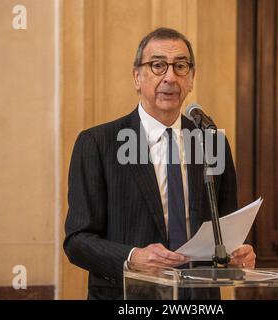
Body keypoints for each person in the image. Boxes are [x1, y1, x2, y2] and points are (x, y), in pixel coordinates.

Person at [63, 27, 256, 300]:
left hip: (198, 299)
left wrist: (239, 250)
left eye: (180, 66)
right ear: (137, 77)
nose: (170, 77)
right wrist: (133, 257)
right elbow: (77, 241)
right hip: (128, 297)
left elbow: (225, 223)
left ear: (191, 79)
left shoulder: (211, 141)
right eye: (157, 66)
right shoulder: (98, 143)